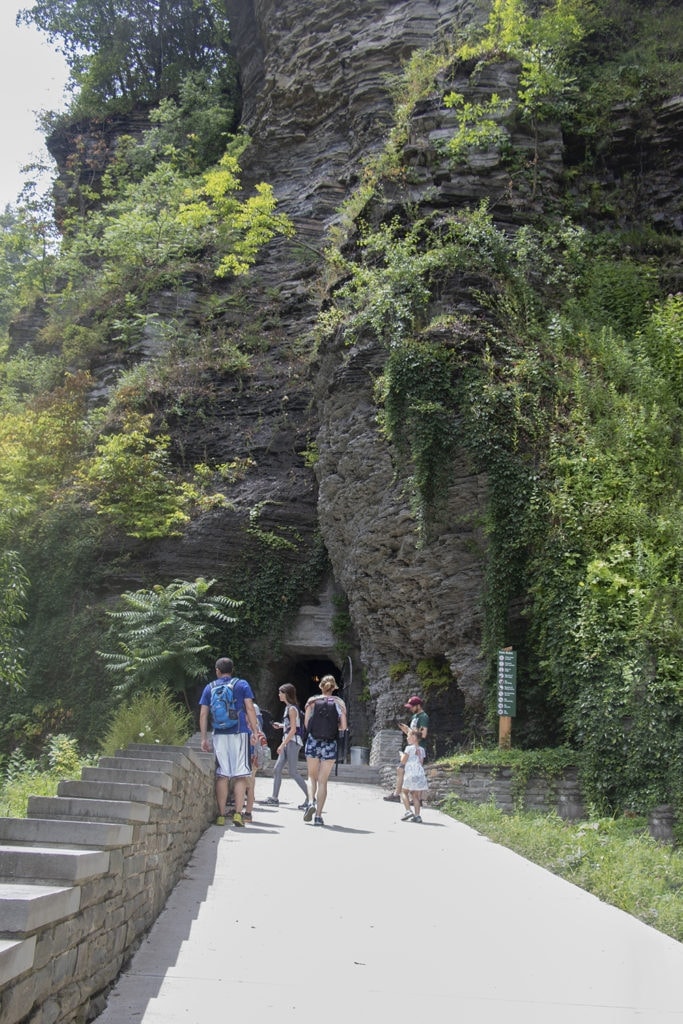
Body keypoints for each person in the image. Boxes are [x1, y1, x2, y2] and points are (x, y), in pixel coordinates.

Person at [199, 657, 264, 827]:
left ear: (217, 670)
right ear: (232, 670)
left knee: (222, 775)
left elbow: (204, 714)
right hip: (239, 732)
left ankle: (221, 815)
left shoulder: (210, 687)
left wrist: (204, 738)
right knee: (240, 775)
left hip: (219, 734)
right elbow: (250, 708)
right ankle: (237, 813)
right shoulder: (241, 684)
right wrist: (255, 731)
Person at [302, 674, 347, 826]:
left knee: (311, 777)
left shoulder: (311, 701)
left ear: (321, 686)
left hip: (313, 741)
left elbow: (307, 725)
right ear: (334, 688)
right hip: (330, 743)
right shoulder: (339, 703)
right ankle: (319, 817)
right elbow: (343, 727)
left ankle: (310, 802)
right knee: (323, 781)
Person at [264, 684, 309, 808]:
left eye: (281, 693)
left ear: (286, 694)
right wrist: (282, 725)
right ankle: (274, 798)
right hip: (288, 741)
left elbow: (294, 729)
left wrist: (282, 744)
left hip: (292, 742)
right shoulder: (288, 708)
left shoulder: (291, 709)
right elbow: (291, 726)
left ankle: (311, 798)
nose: (279, 695)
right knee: (277, 769)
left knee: (293, 772)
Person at [383, 695, 429, 802]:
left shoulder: (424, 717)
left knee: (410, 771)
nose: (410, 708)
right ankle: (399, 795)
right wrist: (406, 730)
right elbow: (413, 734)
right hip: (412, 747)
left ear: (418, 705)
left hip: (418, 748)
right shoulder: (414, 717)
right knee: (401, 769)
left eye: (412, 706)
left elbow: (423, 734)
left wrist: (409, 731)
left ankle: (413, 798)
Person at [400, 727, 428, 823]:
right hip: (419, 773)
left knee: (403, 792)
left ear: (414, 737)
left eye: (408, 736)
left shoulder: (409, 748)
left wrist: (401, 755)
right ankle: (417, 816)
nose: (407, 738)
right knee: (416, 795)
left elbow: (403, 761)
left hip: (411, 773)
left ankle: (408, 811)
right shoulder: (422, 749)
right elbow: (421, 762)